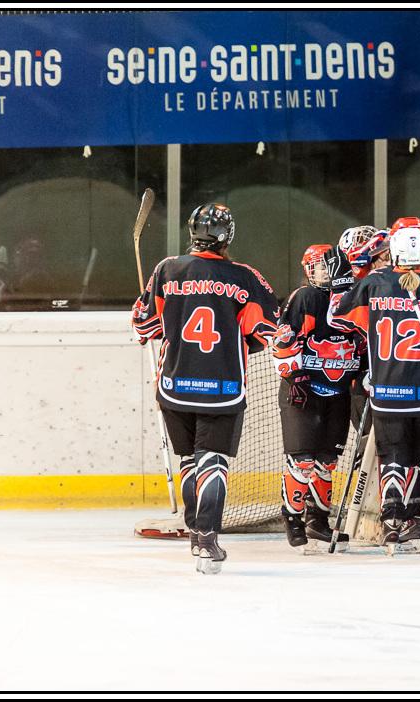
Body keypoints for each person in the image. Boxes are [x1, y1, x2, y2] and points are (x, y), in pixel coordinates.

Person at [131, 203, 279, 574]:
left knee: (189, 461)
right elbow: (267, 331)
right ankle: (208, 538)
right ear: (227, 236)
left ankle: (195, 531)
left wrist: (155, 320)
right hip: (223, 386)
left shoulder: (167, 269)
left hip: (174, 385)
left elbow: (142, 325)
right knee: (211, 460)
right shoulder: (244, 278)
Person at [330, 227, 420, 553]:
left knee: (393, 459)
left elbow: (338, 318)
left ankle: (392, 518)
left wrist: (341, 283)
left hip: (387, 396)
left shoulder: (374, 281)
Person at [271, 244, 363, 552]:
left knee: (327, 462)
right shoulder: (305, 299)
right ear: (307, 270)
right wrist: (293, 375)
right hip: (304, 391)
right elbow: (284, 338)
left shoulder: (351, 299)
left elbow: (362, 343)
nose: (323, 272)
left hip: (338, 393)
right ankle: (293, 517)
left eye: (328, 266)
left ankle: (319, 520)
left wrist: (363, 374)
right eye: (318, 266)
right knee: (303, 461)